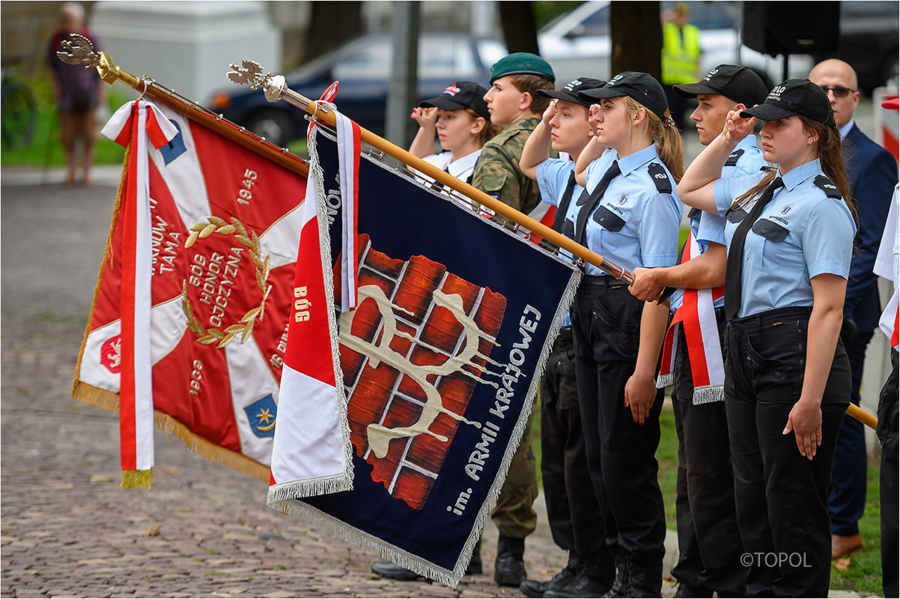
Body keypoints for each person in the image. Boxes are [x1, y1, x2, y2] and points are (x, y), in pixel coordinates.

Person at [676, 79, 856, 597]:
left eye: (780, 124)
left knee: (791, 505)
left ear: (815, 135)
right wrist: (730, 137)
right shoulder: (761, 185)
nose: (767, 132)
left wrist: (810, 399)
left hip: (794, 353)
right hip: (746, 347)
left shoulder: (822, 204)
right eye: (764, 122)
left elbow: (828, 308)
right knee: (750, 499)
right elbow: (690, 187)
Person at [629, 64, 768, 598]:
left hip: (721, 333)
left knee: (710, 474)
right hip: (699, 328)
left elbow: (714, 267)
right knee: (696, 471)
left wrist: (661, 276)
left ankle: (717, 579)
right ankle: (697, 575)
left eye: (706, 104)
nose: (694, 114)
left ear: (739, 112)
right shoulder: (730, 161)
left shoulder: (746, 164)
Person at [369, 80, 497, 583]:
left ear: (477, 122)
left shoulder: (483, 171)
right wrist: (423, 132)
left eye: (450, 117)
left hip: (460, 319)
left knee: (448, 433)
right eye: (436, 116)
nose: (440, 123)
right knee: (416, 427)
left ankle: (455, 545)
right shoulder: (442, 164)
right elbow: (407, 172)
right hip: (425, 313)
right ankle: (427, 543)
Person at [565, 71, 684, 597]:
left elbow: (657, 289)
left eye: (606, 106)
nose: (594, 113)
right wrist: (601, 134)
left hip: (627, 318)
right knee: (597, 455)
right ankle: (617, 569)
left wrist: (644, 371)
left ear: (638, 115)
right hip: (591, 309)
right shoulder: (611, 168)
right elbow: (581, 169)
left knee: (624, 457)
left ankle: (641, 576)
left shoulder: (655, 189)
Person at [517, 77, 615, 598]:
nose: (553, 123)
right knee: (558, 458)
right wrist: (551, 110)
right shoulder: (565, 174)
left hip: (593, 331)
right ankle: (576, 559)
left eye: (567, 115)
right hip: (563, 330)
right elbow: (529, 162)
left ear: (596, 121)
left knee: (583, 457)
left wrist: (593, 131)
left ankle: (593, 563)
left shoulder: (601, 174)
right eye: (553, 114)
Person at [469, 52, 556, 588]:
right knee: (519, 424)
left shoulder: (503, 153)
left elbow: (489, 234)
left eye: (496, 88)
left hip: (498, 307)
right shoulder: (561, 145)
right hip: (539, 306)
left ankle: (480, 544)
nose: (486, 97)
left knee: (485, 424)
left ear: (524, 99)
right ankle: (510, 550)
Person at [808, 58, 898, 561]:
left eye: (840, 90)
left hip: (843, 314)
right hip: (799, 313)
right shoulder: (799, 146)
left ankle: (844, 524)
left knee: (839, 416)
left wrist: (830, 303)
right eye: (821, 88)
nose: (830, 97)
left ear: (854, 98)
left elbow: (871, 247)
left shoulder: (872, 159)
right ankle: (817, 514)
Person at [46, 1, 103, 186]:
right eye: (65, 20)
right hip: (67, 94)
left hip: (88, 93)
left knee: (88, 135)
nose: (68, 24)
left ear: (80, 20)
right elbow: (51, 66)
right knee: (67, 136)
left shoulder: (90, 39)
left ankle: (86, 172)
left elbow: (101, 67)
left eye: (71, 20)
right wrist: (55, 86)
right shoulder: (56, 40)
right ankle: (70, 170)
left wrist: (101, 92)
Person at [407, 80, 498, 187]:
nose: (438, 124)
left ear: (477, 125)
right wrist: (427, 127)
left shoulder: (487, 172)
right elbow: (415, 165)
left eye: (450, 117)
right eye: (440, 116)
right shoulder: (447, 159)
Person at [661, 3, 701, 132]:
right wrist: (667, 16)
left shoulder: (693, 31)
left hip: (685, 81)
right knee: (670, 113)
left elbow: (696, 57)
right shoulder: (667, 29)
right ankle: (671, 138)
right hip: (668, 80)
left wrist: (697, 77)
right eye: (679, 15)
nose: (681, 18)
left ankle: (680, 142)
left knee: (682, 115)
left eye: (684, 15)